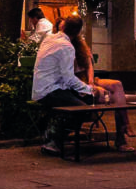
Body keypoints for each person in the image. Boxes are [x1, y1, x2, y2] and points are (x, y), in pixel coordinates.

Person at [31, 15, 103, 155]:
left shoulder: (49, 38)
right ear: (78, 32)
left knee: (86, 100)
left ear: (62, 27)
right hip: (50, 91)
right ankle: (53, 139)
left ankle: (55, 134)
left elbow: (66, 79)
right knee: (82, 109)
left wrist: (85, 91)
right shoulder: (66, 47)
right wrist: (88, 89)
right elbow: (68, 77)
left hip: (47, 87)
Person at [73, 31, 134, 151]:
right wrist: (90, 86)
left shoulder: (81, 46)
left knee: (117, 85)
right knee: (118, 97)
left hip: (89, 80)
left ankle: (125, 129)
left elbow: (89, 66)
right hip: (78, 84)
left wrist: (91, 82)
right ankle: (122, 136)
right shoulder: (63, 48)